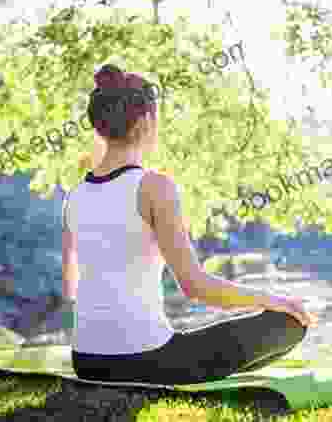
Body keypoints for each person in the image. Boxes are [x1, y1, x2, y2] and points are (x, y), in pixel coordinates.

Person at [60, 64, 318, 385]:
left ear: (99, 127)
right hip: (146, 361)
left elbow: (70, 288)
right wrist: (276, 301)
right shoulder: (154, 186)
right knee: (288, 324)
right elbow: (195, 286)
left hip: (85, 361)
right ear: (145, 121)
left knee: (196, 339)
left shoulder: (75, 196)